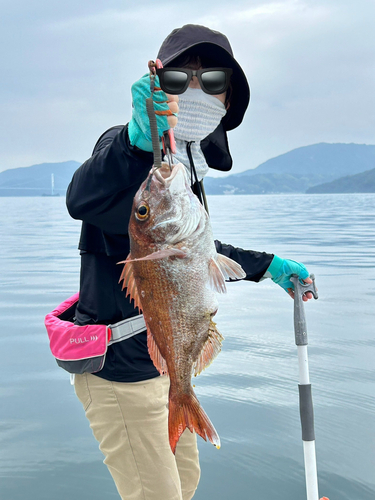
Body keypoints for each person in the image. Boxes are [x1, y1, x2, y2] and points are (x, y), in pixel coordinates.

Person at [66, 24, 313, 500]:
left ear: (229, 96)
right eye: (181, 79)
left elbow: (197, 250)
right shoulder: (126, 151)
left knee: (186, 485)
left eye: (213, 79)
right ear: (160, 89)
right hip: (120, 375)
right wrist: (136, 143)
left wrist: (270, 267)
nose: (197, 88)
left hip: (162, 371)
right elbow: (82, 197)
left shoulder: (183, 173)